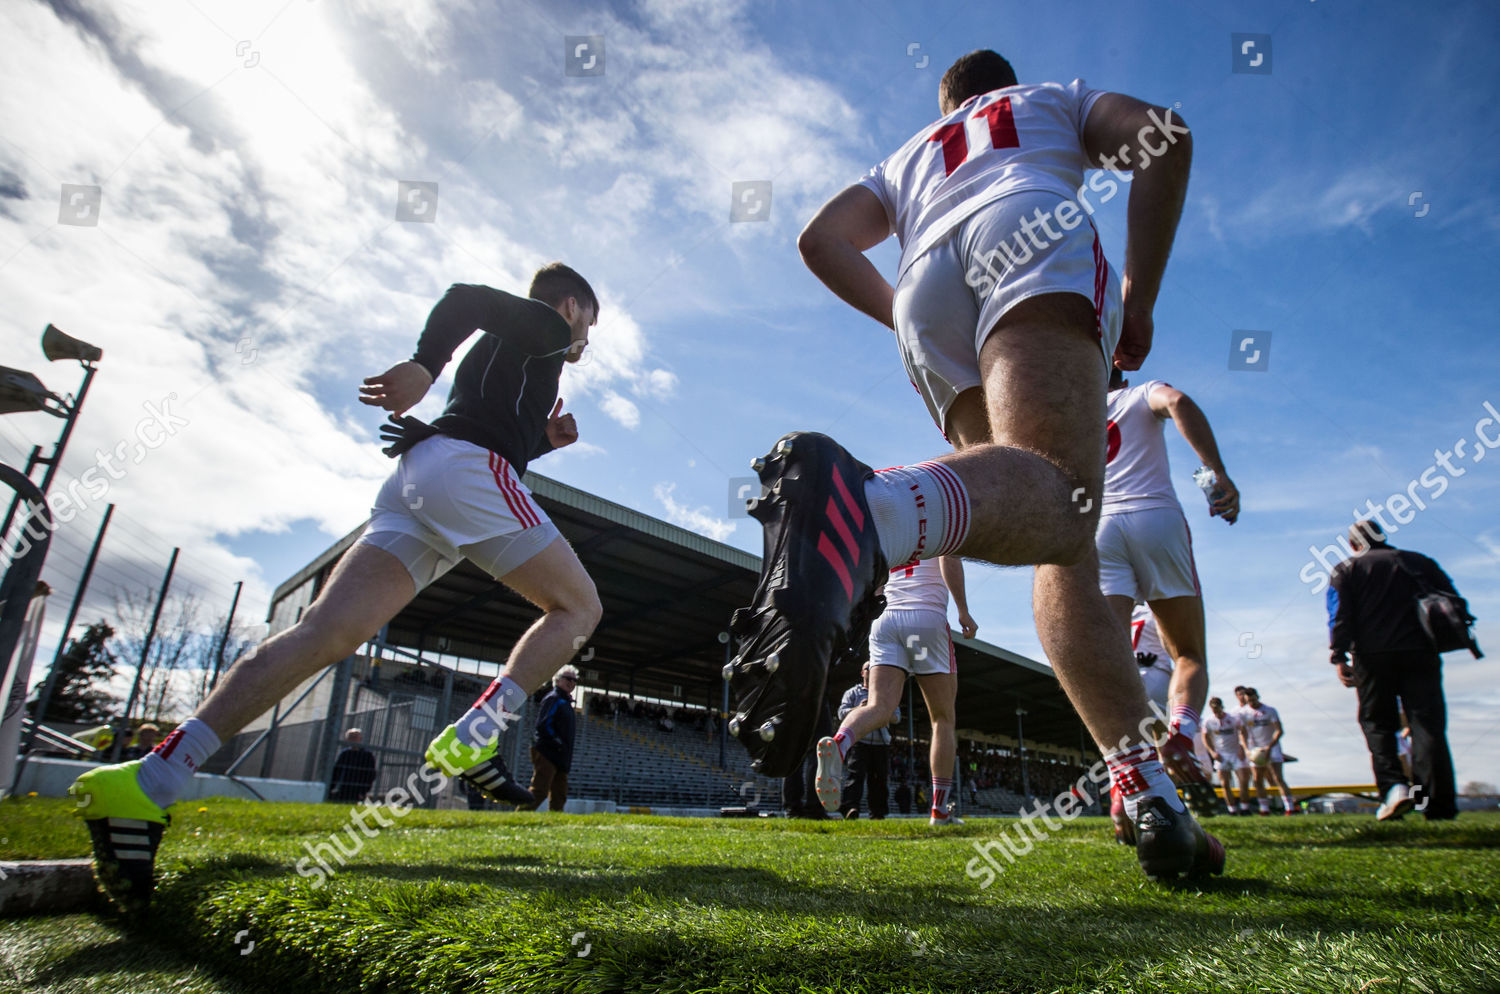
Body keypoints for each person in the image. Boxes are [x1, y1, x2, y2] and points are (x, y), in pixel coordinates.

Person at [726, 49, 1220, 879]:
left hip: (924, 278)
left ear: (946, 99)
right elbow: (1164, 139)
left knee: (1052, 527)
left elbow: (821, 240)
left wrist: (905, 313)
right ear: (1003, 84)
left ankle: (1145, 789)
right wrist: (1140, 298)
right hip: (1026, 230)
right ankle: (870, 512)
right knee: (1063, 504)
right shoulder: (1050, 99)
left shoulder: (909, 154)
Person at [69, 264, 600, 910]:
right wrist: (423, 366)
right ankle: (474, 734)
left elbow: (488, 423)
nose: (584, 344)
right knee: (578, 607)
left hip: (422, 477)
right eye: (588, 328)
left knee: (326, 632)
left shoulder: (521, 351)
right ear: (571, 306)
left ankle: (149, 780)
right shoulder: (545, 324)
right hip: (464, 470)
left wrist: (541, 443)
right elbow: (465, 300)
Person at [1100, 369, 1238, 800]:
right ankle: (1180, 730)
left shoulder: (1076, 411)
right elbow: (1178, 402)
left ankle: (1126, 788)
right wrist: (1215, 473)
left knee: (1112, 665)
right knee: (1188, 653)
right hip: (1153, 516)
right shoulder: (1141, 393)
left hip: (1098, 527)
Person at [815, 557, 977, 826]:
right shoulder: (939, 519)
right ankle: (939, 811)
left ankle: (840, 745)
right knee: (942, 719)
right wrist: (963, 609)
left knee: (878, 707)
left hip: (887, 621)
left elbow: (873, 580)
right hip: (925, 619)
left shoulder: (894, 526)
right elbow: (949, 557)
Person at [1328, 519, 1464, 821]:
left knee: (1378, 723)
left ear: (1352, 544)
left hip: (1372, 656)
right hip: (1421, 652)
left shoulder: (1345, 570)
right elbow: (1454, 601)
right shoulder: (1418, 562)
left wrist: (1339, 656)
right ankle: (1437, 804)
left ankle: (1394, 788)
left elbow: (1339, 616)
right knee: (1426, 725)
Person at [830, 662, 902, 819]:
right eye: (868, 668)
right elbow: (842, 713)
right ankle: (850, 808)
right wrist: (859, 710)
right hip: (859, 742)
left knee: (879, 779)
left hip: (881, 743)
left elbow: (897, 716)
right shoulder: (852, 693)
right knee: (855, 776)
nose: (872, 670)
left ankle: (878, 812)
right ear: (862, 673)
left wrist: (878, 712)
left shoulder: (887, 694)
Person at [526, 665, 579, 811]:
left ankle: (555, 822)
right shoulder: (553, 698)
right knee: (539, 790)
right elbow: (544, 725)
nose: (572, 682)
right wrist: (557, 742)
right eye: (568, 679)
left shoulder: (566, 702)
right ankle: (520, 816)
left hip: (561, 754)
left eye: (575, 680)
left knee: (559, 793)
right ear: (558, 680)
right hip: (548, 751)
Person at [1239, 688, 1296, 816]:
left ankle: (1289, 808)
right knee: (1257, 779)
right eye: (1249, 701)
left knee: (1278, 778)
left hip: (1272, 748)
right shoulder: (1244, 713)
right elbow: (1242, 733)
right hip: (1255, 750)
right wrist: (1247, 749)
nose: (1252, 703)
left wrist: (1269, 747)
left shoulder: (1270, 711)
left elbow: (1279, 730)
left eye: (1253, 700)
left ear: (1258, 697)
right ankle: (1264, 809)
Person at [1201, 697, 1250, 815]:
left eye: (1217, 708)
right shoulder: (1209, 721)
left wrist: (1242, 747)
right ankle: (1232, 809)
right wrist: (1212, 752)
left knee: (1243, 780)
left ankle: (1245, 808)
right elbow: (1205, 737)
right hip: (1221, 755)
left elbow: (1243, 732)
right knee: (1225, 783)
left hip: (1235, 753)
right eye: (1213, 709)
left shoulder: (1233, 719)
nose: (1216, 711)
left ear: (1222, 706)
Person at [327, 727, 379, 804]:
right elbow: (336, 771)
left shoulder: (367, 755)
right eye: (350, 737)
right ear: (347, 740)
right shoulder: (344, 753)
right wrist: (331, 787)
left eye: (355, 737)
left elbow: (370, 774)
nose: (353, 740)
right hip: (343, 786)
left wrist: (364, 791)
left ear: (360, 739)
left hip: (358, 788)